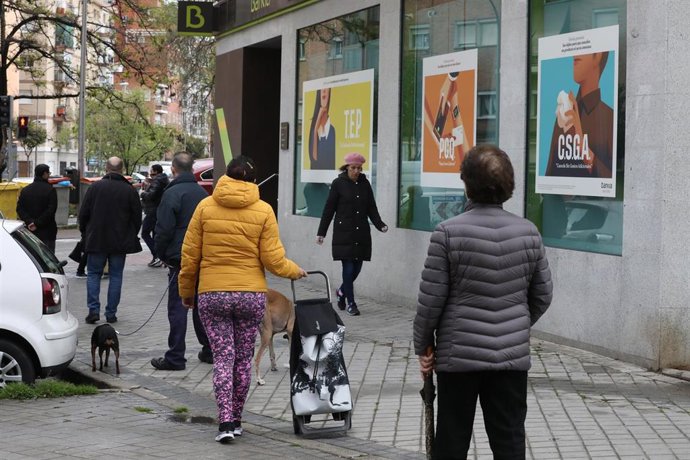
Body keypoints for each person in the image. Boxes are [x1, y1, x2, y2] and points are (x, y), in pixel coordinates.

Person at [413, 144, 553, 459]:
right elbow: (542, 294)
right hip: (510, 360)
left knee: (451, 441)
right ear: (509, 185)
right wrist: (515, 324)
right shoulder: (529, 233)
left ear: (467, 183)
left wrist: (423, 347)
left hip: (458, 357)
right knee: (509, 442)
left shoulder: (447, 233)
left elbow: (430, 301)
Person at [179, 155, 307, 444]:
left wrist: (186, 292)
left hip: (212, 294)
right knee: (242, 360)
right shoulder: (263, 210)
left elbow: (190, 256)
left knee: (223, 359)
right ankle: (237, 419)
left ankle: (224, 422)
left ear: (225, 175)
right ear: (252, 180)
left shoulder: (204, 207)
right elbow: (273, 259)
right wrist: (295, 271)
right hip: (250, 296)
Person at [150, 153, 213, 371]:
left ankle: (176, 356)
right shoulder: (203, 194)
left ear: (174, 170)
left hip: (180, 259)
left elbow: (164, 229)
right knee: (200, 307)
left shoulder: (172, 194)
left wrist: (162, 254)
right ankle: (209, 350)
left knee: (178, 308)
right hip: (203, 258)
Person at [316, 152, 388, 316]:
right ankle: (351, 303)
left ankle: (341, 292)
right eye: (353, 168)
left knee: (357, 269)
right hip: (344, 234)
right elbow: (329, 209)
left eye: (359, 168)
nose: (356, 171)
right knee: (348, 269)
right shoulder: (338, 184)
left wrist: (380, 224)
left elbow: (371, 208)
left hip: (361, 233)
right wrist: (322, 232)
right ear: (347, 167)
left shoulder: (365, 184)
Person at [79, 157, 142, 324]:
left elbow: (83, 214)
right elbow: (137, 218)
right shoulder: (129, 191)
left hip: (96, 239)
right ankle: (111, 313)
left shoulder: (95, 187)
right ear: (121, 170)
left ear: (106, 168)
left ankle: (93, 310)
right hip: (119, 241)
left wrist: (85, 233)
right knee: (116, 276)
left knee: (93, 274)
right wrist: (130, 234)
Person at [545, 51, 613, 178]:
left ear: (598, 56)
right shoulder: (566, 114)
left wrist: (582, 147)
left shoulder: (610, 119)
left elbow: (614, 180)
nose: (575, 55)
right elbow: (550, 175)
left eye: (583, 49)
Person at [16, 164, 58, 252]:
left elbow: (19, 209)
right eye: (48, 173)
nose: (49, 175)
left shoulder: (25, 190)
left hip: (29, 232)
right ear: (44, 174)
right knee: (47, 259)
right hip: (47, 232)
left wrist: (30, 222)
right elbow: (51, 210)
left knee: (32, 257)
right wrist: (37, 223)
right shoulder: (50, 190)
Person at [140, 164, 169, 267]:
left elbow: (152, 195)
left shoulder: (158, 181)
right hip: (158, 210)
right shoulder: (162, 180)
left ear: (156, 171)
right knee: (155, 234)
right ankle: (157, 257)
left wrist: (143, 193)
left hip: (152, 211)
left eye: (151, 170)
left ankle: (157, 256)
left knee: (145, 233)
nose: (150, 172)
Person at [308, 88, 336, 170]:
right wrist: (316, 127)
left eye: (327, 90)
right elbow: (314, 158)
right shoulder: (314, 130)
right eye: (322, 90)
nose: (324, 91)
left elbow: (332, 163)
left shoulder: (332, 130)